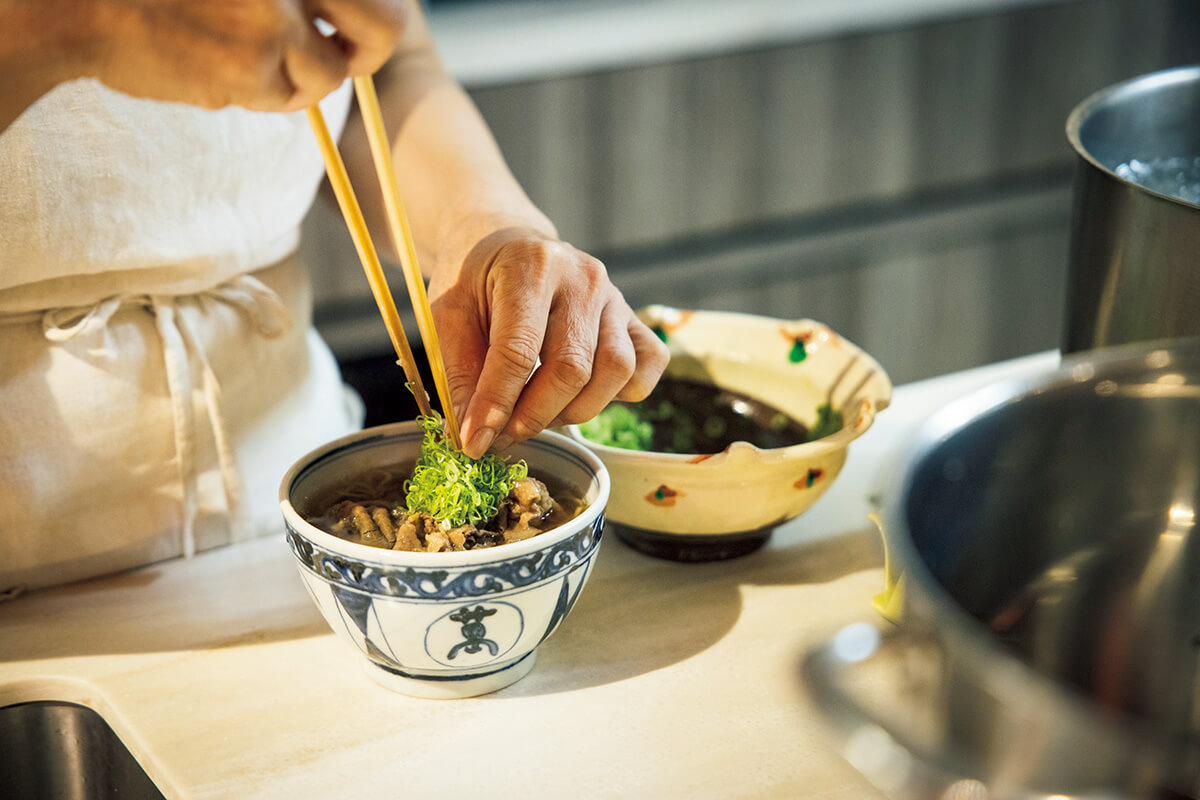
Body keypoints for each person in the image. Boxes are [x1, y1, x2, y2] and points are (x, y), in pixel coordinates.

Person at [0, 0, 669, 594]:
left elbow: (386, 63)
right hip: (28, 539)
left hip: (307, 514)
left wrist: (486, 224)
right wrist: (71, 25)